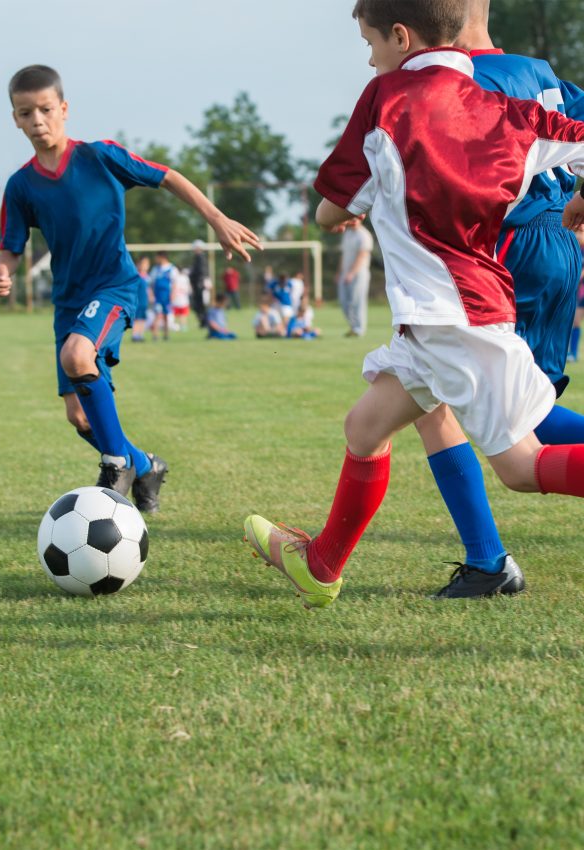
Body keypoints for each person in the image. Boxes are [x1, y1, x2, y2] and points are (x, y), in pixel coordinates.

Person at [243, 0, 584, 610]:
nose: (369, 57)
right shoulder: (512, 112)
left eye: (369, 42)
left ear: (400, 38)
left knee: (521, 467)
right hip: (438, 320)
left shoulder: (385, 98)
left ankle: (444, 563)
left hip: (457, 319)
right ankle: (321, 567)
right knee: (364, 427)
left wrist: (355, 204)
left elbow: (329, 210)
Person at [0, 64, 260, 513]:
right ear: (14, 118)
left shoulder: (100, 157)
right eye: (25, 113)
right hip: (68, 304)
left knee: (77, 356)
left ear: (64, 109)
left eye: (46, 109)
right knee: (78, 415)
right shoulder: (20, 186)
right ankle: (144, 464)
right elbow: (11, 247)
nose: (37, 121)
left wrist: (216, 218)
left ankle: (117, 464)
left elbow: (167, 176)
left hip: (114, 286)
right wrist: (2, 271)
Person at [413, 0, 584, 597]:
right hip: (558, 245)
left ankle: (488, 561)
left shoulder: (460, 81)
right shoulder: (538, 71)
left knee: (455, 404)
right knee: (503, 408)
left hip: (495, 253)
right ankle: (485, 559)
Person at [338, 217, 374, 337]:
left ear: (360, 219)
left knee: (356, 301)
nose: (353, 220)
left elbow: (362, 255)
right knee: (344, 301)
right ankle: (353, 327)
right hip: (345, 273)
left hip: (359, 273)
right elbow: (343, 255)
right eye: (351, 218)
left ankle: (358, 329)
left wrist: (352, 273)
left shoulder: (364, 235)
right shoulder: (347, 233)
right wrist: (340, 272)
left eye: (355, 218)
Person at [149, 251, 178, 341]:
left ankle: (166, 334)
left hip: (167, 296)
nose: (156, 259)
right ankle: (155, 335)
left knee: (166, 315)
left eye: (157, 257)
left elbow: (174, 283)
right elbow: (151, 284)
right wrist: (151, 295)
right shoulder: (155, 269)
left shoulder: (172, 269)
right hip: (158, 296)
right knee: (157, 315)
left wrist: (173, 294)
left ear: (162, 257)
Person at [568, 230, 584, 361]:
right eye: (577, 232)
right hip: (575, 290)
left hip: (581, 290)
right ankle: (571, 352)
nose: (578, 235)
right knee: (572, 321)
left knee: (576, 321)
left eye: (581, 232)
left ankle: (573, 352)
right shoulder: (573, 247)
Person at [189, 239, 209, 328]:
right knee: (199, 304)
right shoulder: (199, 257)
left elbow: (200, 271)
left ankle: (204, 321)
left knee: (200, 304)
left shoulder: (200, 258)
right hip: (198, 283)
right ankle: (203, 321)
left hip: (199, 284)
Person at [132, 255, 150, 342]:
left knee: (143, 318)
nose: (145, 266)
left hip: (145, 301)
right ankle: (135, 335)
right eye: (143, 264)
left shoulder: (147, 276)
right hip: (138, 301)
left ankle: (141, 335)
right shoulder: (136, 276)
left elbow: (149, 289)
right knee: (137, 318)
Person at [170, 266, 192, 331]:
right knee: (183, 314)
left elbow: (174, 287)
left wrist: (172, 296)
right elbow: (189, 288)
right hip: (184, 298)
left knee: (175, 314)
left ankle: (176, 326)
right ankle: (183, 327)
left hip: (177, 298)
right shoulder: (186, 278)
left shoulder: (176, 278)